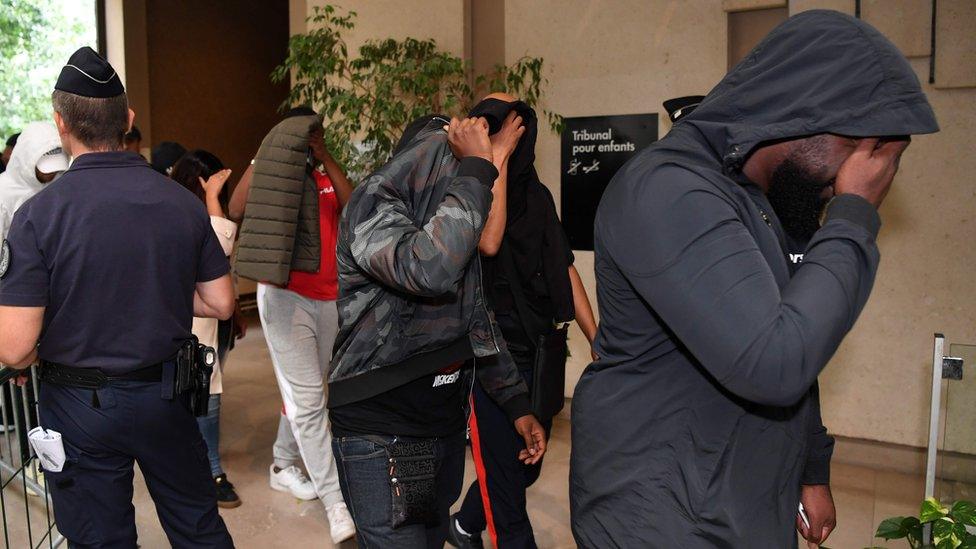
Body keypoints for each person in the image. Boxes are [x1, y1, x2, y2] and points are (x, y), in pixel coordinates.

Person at [569, 10, 939, 548]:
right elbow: (774, 362)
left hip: (739, 501)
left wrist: (811, 468)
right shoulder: (670, 190)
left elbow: (795, 333)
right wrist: (855, 212)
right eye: (863, 153)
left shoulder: (760, 202)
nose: (855, 179)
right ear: (806, 116)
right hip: (662, 517)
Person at [0, 46, 235, 547]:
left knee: (100, 538)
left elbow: (15, 348)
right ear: (127, 119)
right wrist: (155, 291)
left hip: (77, 405)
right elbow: (220, 303)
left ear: (61, 124)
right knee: (197, 527)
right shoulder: (180, 201)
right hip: (166, 395)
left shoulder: (39, 217)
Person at [327, 111, 548, 548]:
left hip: (437, 428)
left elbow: (477, 319)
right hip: (382, 431)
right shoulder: (375, 203)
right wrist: (478, 169)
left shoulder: (448, 226)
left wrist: (516, 403)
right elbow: (428, 269)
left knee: (428, 540)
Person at [447, 95, 598, 549]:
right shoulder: (461, 194)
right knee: (510, 504)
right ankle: (479, 521)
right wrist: (495, 161)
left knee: (525, 467)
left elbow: (563, 266)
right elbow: (489, 243)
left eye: (515, 132)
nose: (510, 140)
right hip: (489, 360)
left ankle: (464, 524)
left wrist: (597, 336)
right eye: (498, 132)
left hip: (540, 353)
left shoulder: (536, 195)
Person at [233, 107, 356, 544]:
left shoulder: (322, 173)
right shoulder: (275, 173)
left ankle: (283, 465)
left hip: (328, 297)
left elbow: (353, 204)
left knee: (309, 391)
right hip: (285, 297)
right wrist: (263, 155)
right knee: (308, 401)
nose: (311, 137)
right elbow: (235, 206)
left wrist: (325, 157)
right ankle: (336, 502)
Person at [170, 149, 243, 508]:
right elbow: (218, 248)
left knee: (209, 398)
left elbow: (224, 270)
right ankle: (210, 471)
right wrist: (213, 199)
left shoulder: (208, 215)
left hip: (217, 322)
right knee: (203, 400)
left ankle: (204, 467)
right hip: (192, 325)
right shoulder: (176, 215)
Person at [0, 122, 69, 239]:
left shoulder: (58, 188)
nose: (51, 174)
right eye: (45, 169)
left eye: (57, 168)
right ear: (26, 160)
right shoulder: (3, 192)